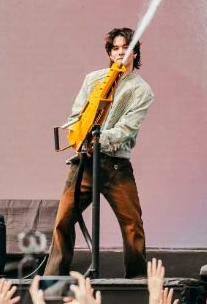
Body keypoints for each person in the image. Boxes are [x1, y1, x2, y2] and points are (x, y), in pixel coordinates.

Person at [44, 28, 154, 279]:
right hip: (84, 162)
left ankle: (137, 281)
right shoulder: (93, 79)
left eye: (126, 47)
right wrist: (78, 133)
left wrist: (97, 138)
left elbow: (127, 129)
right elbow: (76, 115)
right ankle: (53, 280)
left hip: (116, 166)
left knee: (132, 223)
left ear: (135, 52)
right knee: (63, 220)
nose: (121, 52)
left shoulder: (141, 90)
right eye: (116, 48)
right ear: (110, 53)